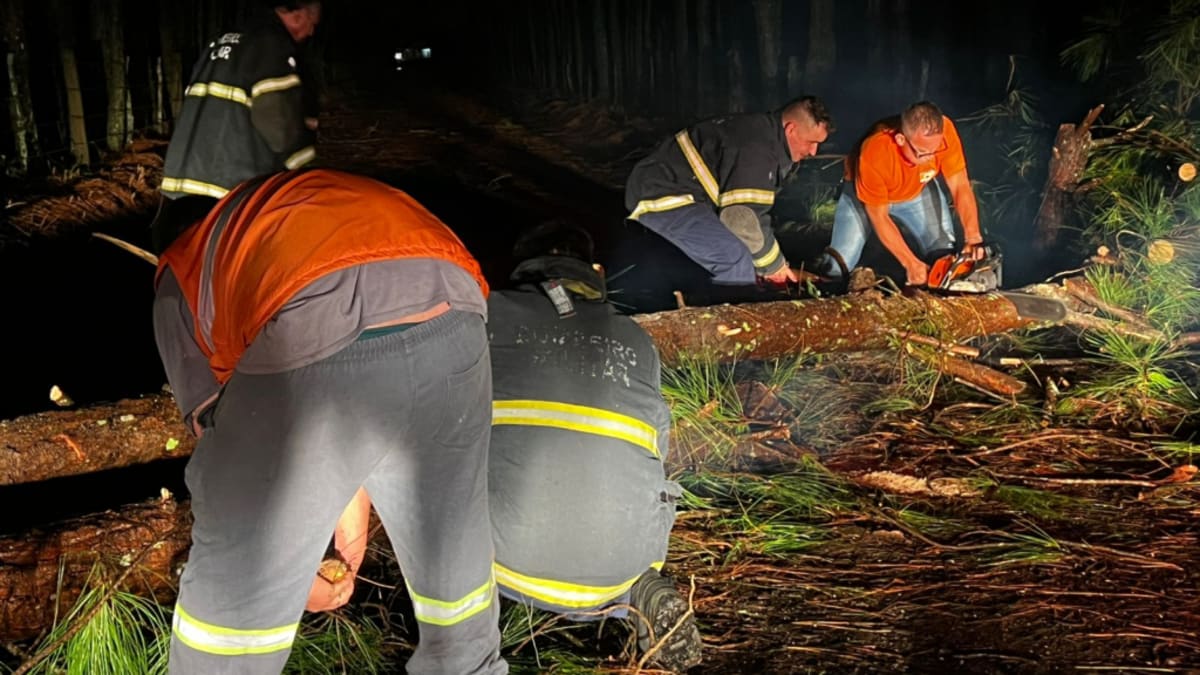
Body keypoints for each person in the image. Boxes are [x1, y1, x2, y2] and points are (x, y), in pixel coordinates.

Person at [153, 168, 506, 675]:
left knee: (228, 616)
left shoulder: (175, 274)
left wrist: (288, 574)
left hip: (313, 311)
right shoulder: (266, 211)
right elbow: (379, 357)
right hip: (453, 308)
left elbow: (233, 451)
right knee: (455, 560)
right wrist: (350, 491)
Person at [487, 222, 700, 672]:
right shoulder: (636, 339)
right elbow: (659, 446)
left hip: (505, 556)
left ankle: (473, 614)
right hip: (627, 557)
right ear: (593, 276)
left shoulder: (488, 312)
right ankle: (634, 593)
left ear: (524, 270)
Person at [151, 0, 321, 253]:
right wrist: (307, 171)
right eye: (312, 22)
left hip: (183, 185)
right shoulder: (271, 44)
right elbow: (278, 124)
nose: (311, 32)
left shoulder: (223, 41)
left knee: (186, 270)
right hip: (229, 190)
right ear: (298, 14)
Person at [622, 96, 833, 293]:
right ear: (791, 129)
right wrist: (774, 267)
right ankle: (729, 326)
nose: (814, 152)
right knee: (733, 258)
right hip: (663, 193)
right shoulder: (757, 147)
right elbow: (741, 217)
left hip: (685, 194)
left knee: (747, 253)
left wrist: (774, 264)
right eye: (811, 142)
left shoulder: (766, 137)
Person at [818, 100, 985, 286]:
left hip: (916, 190)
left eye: (935, 151)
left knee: (943, 255)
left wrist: (973, 238)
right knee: (838, 264)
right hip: (864, 197)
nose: (930, 157)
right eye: (922, 153)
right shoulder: (876, 151)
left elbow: (960, 186)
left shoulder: (944, 130)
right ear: (901, 140)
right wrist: (910, 263)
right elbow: (879, 217)